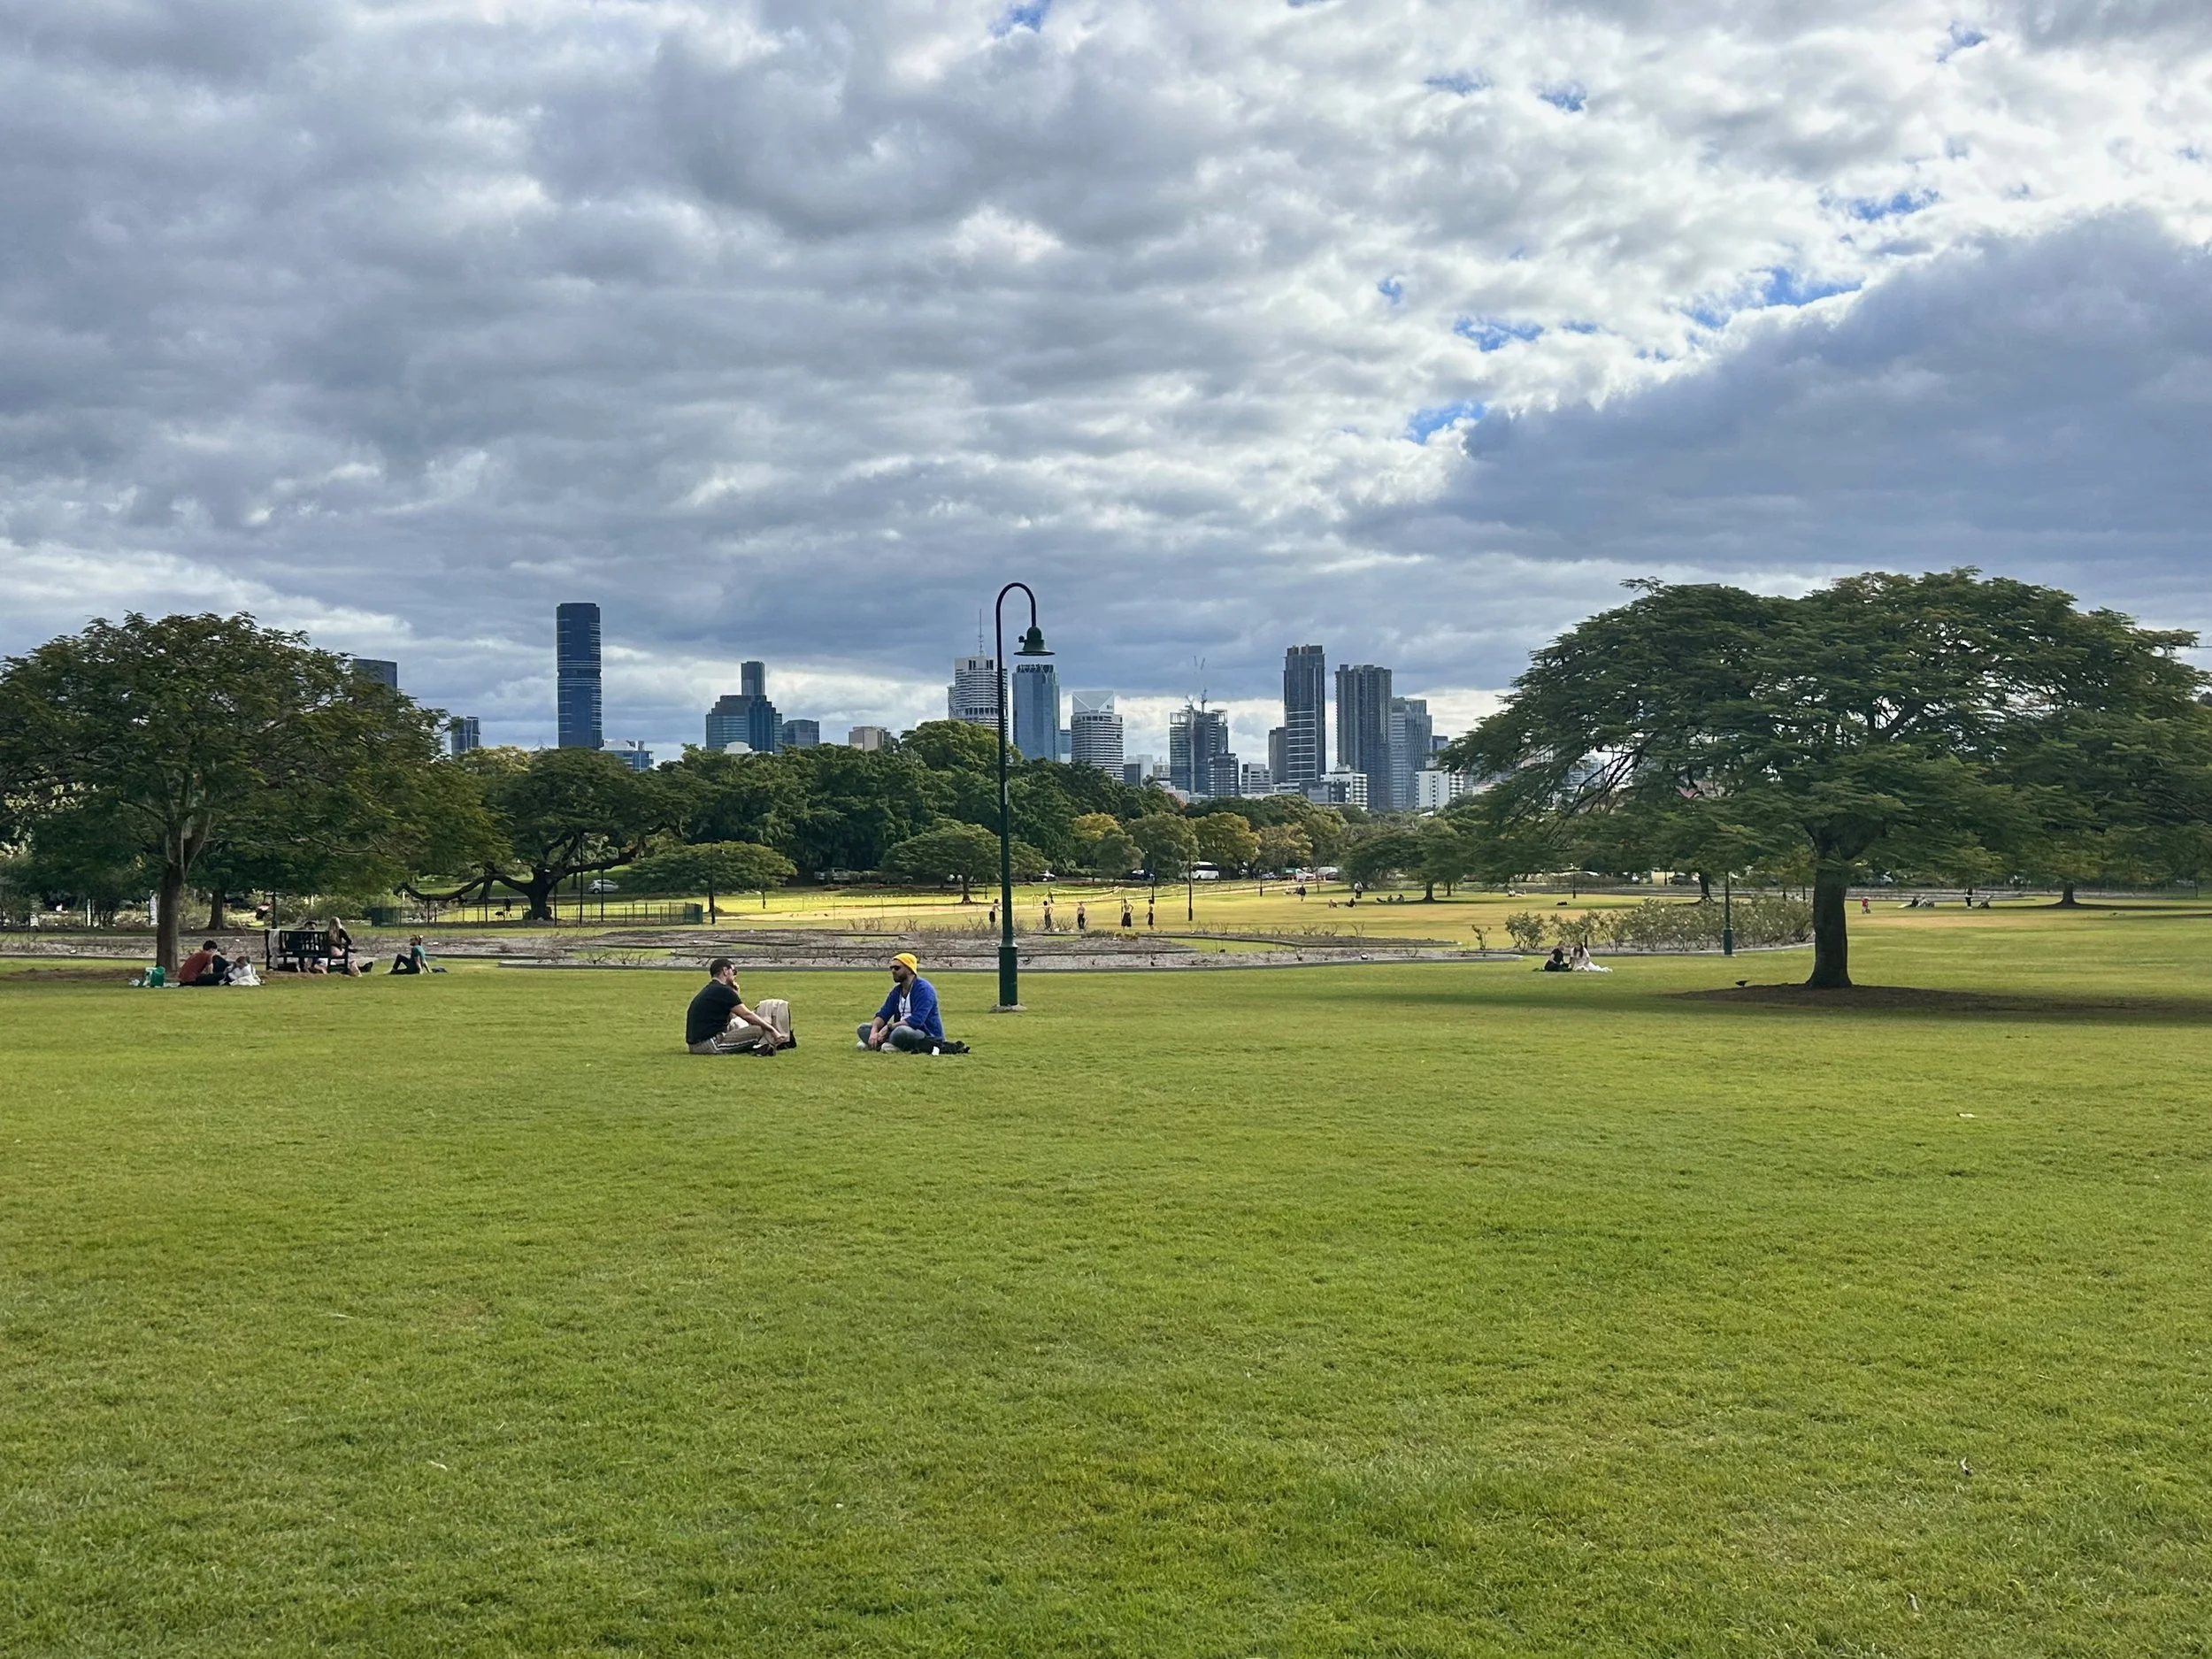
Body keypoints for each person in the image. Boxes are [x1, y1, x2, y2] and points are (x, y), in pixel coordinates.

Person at [687, 957, 790, 1055]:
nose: (735, 975)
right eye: (734, 971)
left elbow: (732, 1017)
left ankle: (757, 1046)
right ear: (725, 971)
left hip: (696, 1044)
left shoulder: (711, 989)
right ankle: (768, 1044)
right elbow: (746, 1015)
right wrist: (772, 1030)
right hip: (709, 1044)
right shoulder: (724, 991)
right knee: (757, 1029)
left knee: (738, 1026)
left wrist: (735, 994)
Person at [860, 952, 946, 1052]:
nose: (893, 971)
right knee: (863, 1028)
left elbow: (916, 1021)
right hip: (896, 1030)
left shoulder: (924, 990)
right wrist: (874, 1032)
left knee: (900, 1032)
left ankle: (884, 1045)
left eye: (897, 968)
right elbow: (883, 1014)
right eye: (891, 968)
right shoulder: (897, 991)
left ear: (909, 970)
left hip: (923, 1034)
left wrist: (888, 1028)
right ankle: (883, 1044)